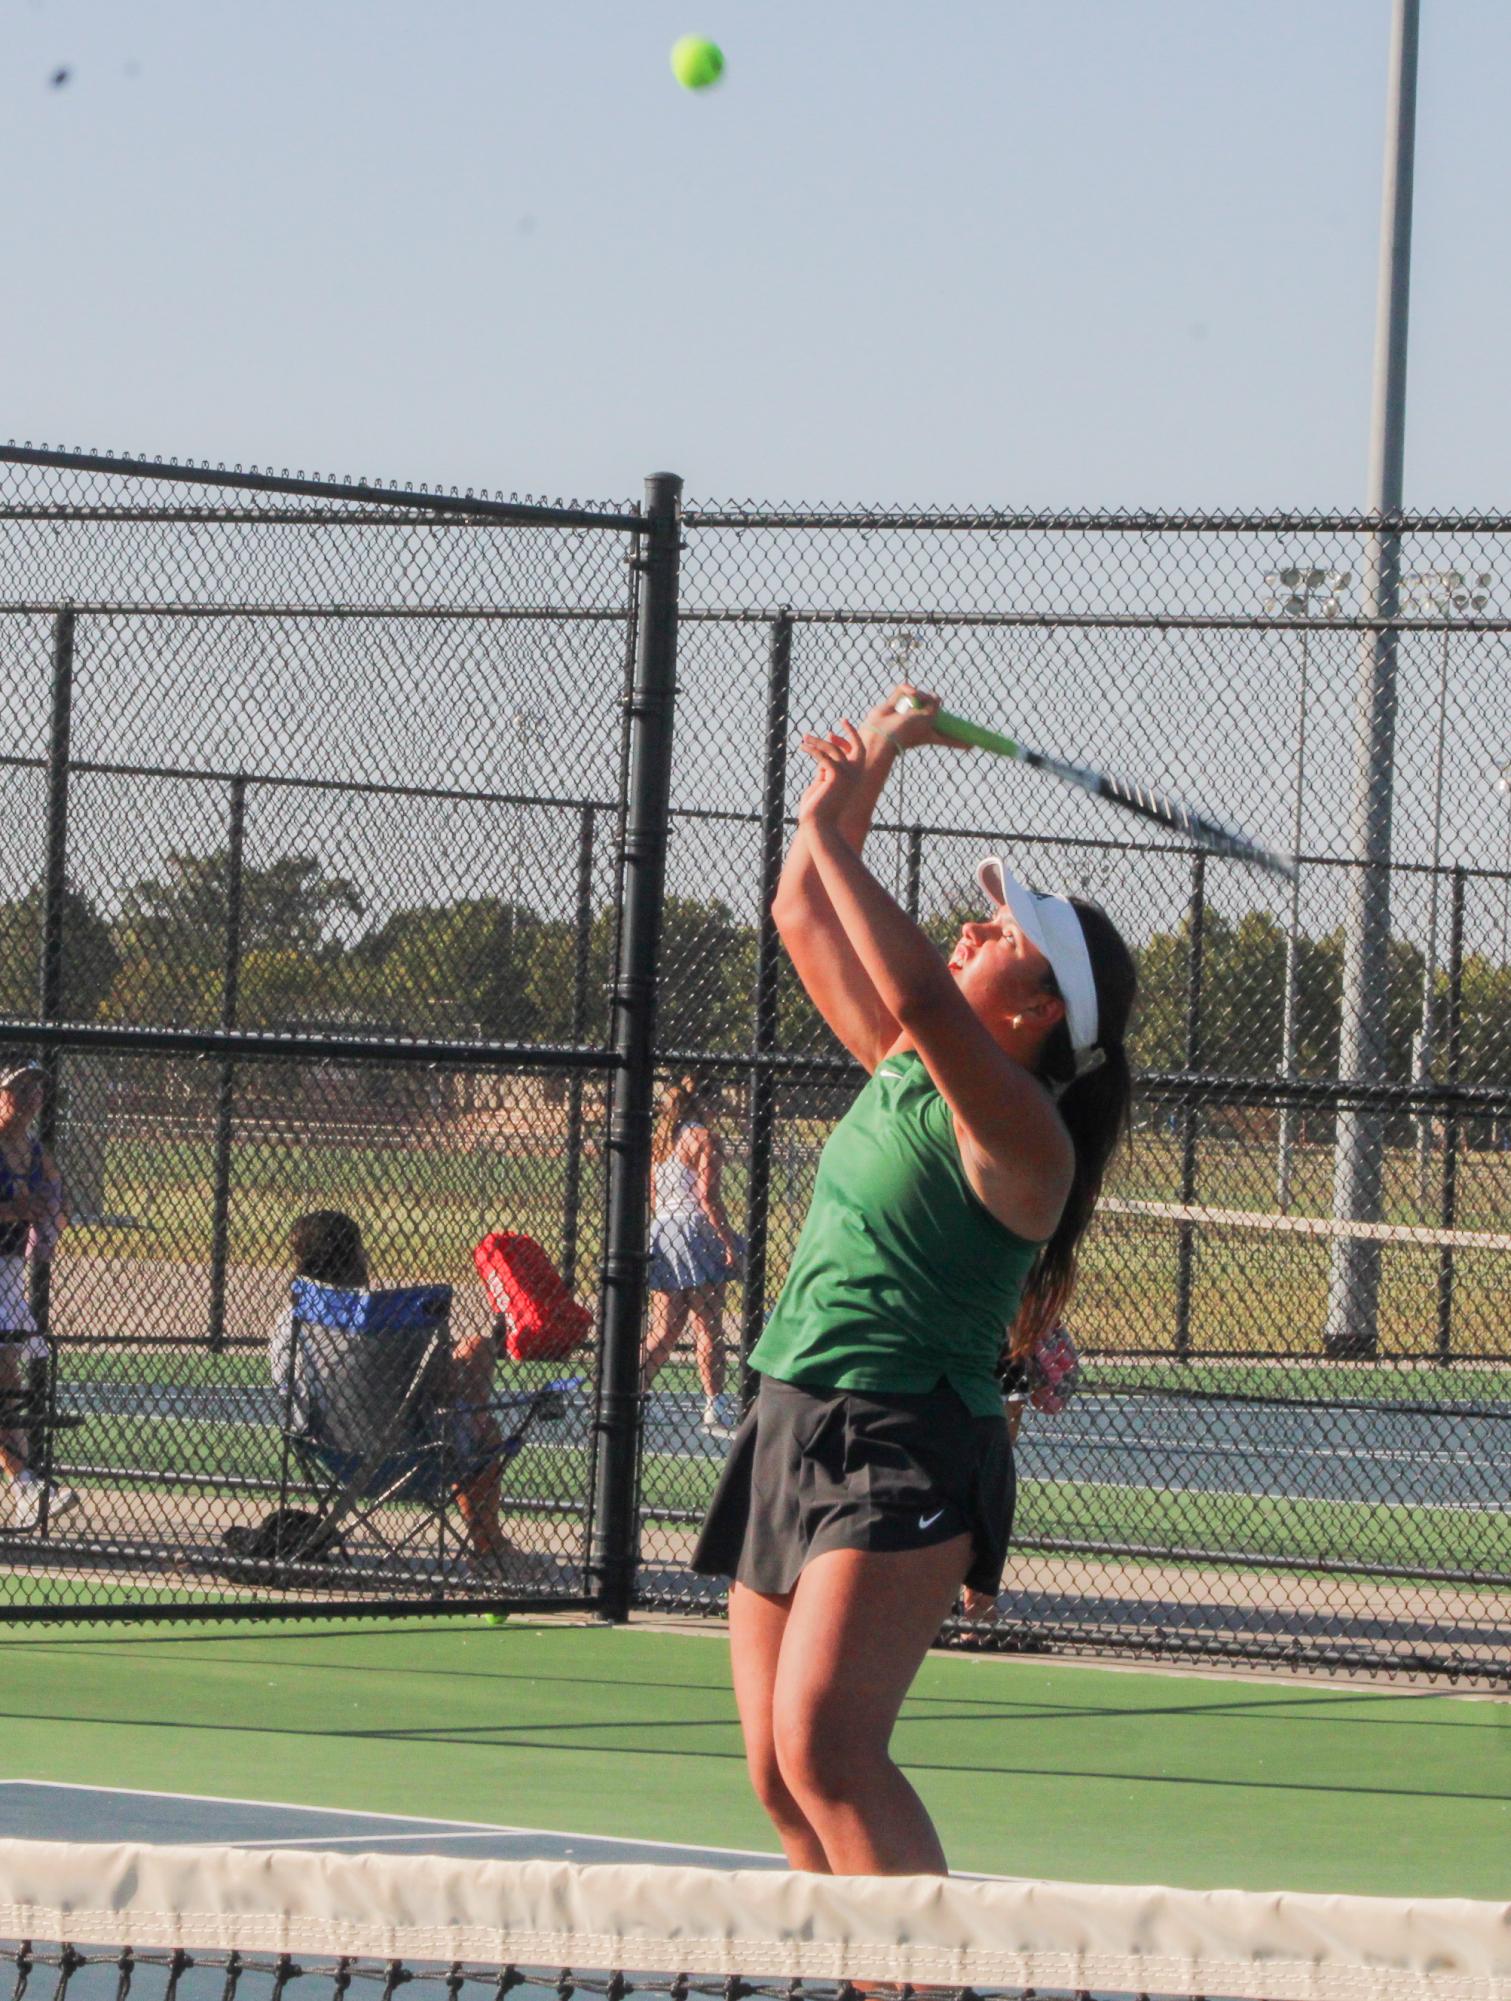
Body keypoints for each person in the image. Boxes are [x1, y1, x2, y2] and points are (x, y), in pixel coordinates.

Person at [692, 684, 1136, 1878]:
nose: (977, 930)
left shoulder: (1024, 1134)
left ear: (1041, 1012)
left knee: (831, 1751)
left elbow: (921, 995)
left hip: (907, 1437)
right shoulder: (902, 1070)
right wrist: (864, 770)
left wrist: (842, 834)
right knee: (779, 1782)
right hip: (787, 1409)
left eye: (1007, 936)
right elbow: (799, 910)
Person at [271, 1210, 528, 1573]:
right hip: (417, 1457)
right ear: (356, 1256)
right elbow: (444, 1387)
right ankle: (488, 1547)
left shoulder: (292, 1319)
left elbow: (287, 1386)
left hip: (330, 1456)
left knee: (468, 1373)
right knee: (477, 1361)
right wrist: (480, 1354)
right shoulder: (388, 1322)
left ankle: (488, 1544)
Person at [641, 1076, 743, 1433]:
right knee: (708, 1325)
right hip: (696, 1230)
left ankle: (631, 1395)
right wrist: (727, 1241)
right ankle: (715, 1407)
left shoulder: (661, 1141)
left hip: (664, 1228)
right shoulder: (703, 1138)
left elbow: (655, 1197)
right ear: (705, 1103)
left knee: (664, 1328)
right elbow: (707, 1198)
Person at [0, 1062, 74, 1530]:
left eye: (36, 1090)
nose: (28, 1097)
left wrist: (51, 1214)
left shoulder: (34, 1151)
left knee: (7, 1380)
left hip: (6, 1273)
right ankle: (25, 1482)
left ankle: (25, 1484)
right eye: (17, 1088)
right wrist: (13, 1209)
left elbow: (60, 1209)